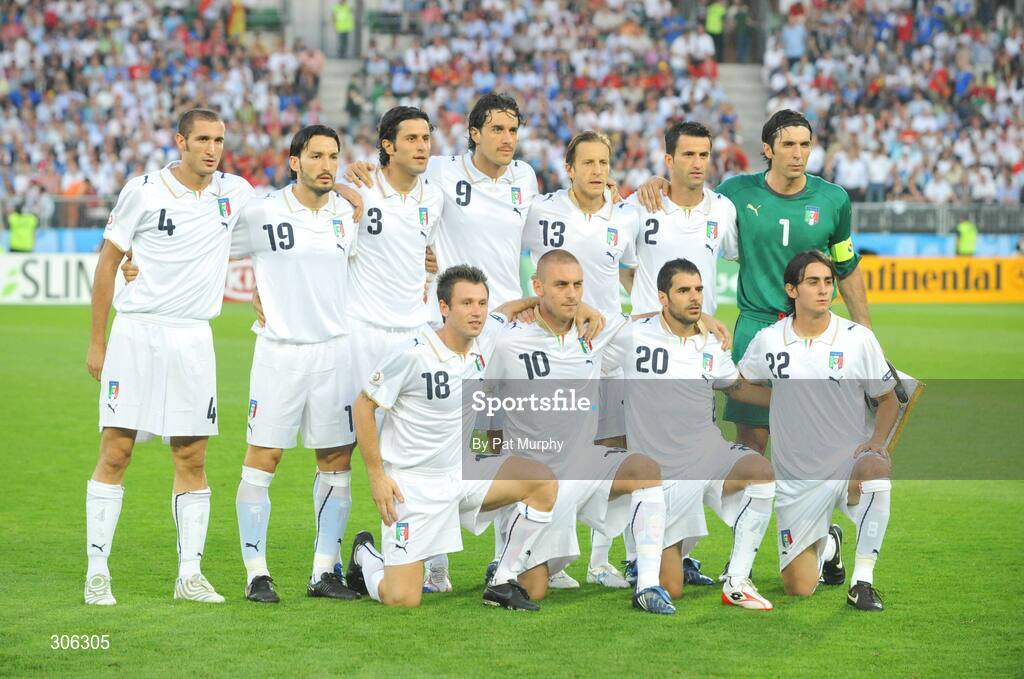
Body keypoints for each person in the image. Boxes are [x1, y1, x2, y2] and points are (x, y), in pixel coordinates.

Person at [346, 265, 592, 610]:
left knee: (541, 482)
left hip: (465, 475)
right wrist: (377, 477)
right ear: (443, 307)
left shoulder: (486, 335)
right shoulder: (412, 353)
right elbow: (364, 405)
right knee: (401, 598)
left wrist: (579, 308)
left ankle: (503, 579)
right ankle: (365, 556)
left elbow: (512, 309)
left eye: (481, 303)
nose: (476, 312)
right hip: (415, 486)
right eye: (466, 303)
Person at [83, 109, 254, 605]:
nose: (212, 149)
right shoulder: (143, 191)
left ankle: (190, 576)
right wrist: (98, 341)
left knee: (192, 456)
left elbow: (283, 223)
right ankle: (97, 572)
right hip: (137, 334)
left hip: (193, 339)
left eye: (218, 140)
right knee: (116, 451)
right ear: (180, 141)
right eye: (202, 139)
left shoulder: (235, 192)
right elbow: (108, 264)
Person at [636, 109, 871, 456]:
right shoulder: (736, 193)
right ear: (768, 149)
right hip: (756, 327)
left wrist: (865, 332)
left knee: (819, 438)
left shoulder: (833, 199)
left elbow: (846, 266)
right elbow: (693, 197)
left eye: (805, 145)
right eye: (788, 145)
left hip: (813, 329)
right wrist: (660, 183)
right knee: (750, 444)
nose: (798, 153)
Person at [485, 249, 676, 615]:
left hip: (585, 466)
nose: (572, 294)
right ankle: (506, 560)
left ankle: (648, 586)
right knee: (534, 589)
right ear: (538, 286)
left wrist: (706, 319)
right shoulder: (508, 341)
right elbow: (484, 401)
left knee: (645, 469)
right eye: (561, 285)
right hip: (538, 482)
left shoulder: (597, 331)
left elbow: (654, 321)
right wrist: (487, 463)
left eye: (577, 285)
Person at [227, 125, 362, 604]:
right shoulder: (262, 212)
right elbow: (208, 248)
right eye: (316, 155)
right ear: (294, 162)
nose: (326, 165)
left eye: (333, 156)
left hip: (335, 352)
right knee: (264, 458)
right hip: (279, 353)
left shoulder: (348, 214)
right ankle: (256, 573)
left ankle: (323, 571)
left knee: (336, 460)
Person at [611, 258, 776, 609]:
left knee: (761, 471)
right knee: (671, 588)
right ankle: (651, 561)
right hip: (660, 475)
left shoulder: (711, 345)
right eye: (684, 290)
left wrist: (791, 401)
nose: (695, 297)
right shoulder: (632, 335)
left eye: (698, 289)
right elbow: (588, 326)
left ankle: (737, 580)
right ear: (662, 297)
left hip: (708, 456)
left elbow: (738, 388)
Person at [738, 251, 897, 611]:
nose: (824, 290)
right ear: (791, 290)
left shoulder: (858, 339)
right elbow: (742, 384)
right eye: (813, 282)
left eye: (828, 282)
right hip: (796, 476)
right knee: (798, 587)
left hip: (848, 463)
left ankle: (862, 582)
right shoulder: (769, 340)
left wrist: (876, 442)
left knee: (876, 470)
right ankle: (830, 546)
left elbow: (888, 398)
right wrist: (780, 399)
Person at [519, 130, 640, 589]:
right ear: (568, 169)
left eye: (603, 163)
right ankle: (540, 555)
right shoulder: (541, 210)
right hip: (558, 345)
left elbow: (628, 270)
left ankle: (600, 560)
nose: (596, 171)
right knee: (552, 449)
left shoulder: (625, 216)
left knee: (613, 448)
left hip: (609, 343)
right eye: (587, 163)